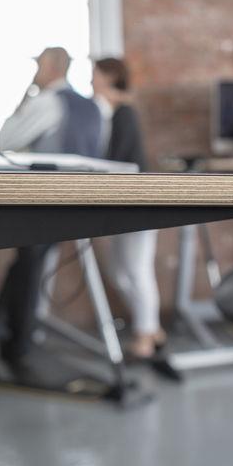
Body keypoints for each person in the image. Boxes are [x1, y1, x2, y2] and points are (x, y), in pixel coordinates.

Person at [0, 47, 102, 378]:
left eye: (39, 64)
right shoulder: (90, 106)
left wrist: (26, 94)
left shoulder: (48, 102)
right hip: (80, 204)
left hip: (46, 202)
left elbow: (5, 139)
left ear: (51, 66)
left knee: (27, 267)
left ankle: (13, 346)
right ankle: (6, 339)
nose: (36, 70)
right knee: (28, 266)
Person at [92, 57, 166, 360]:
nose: (91, 81)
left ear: (109, 77)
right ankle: (153, 329)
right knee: (119, 271)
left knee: (136, 269)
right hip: (123, 204)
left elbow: (119, 160)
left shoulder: (124, 113)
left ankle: (145, 336)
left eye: (95, 75)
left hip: (139, 202)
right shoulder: (110, 114)